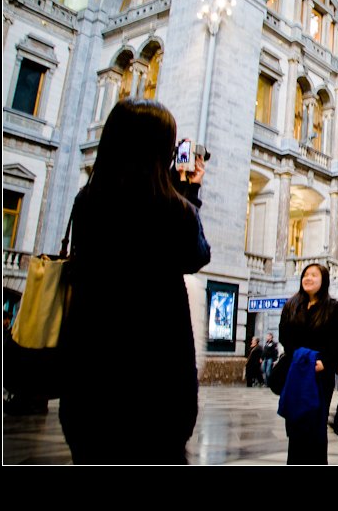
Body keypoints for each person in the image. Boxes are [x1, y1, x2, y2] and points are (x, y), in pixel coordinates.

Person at [58, 99, 211, 464]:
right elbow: (196, 255)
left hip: (90, 367)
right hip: (155, 372)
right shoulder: (173, 208)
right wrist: (187, 190)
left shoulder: (88, 199)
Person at [276, 262, 338, 464]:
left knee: (315, 428)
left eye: (314, 275)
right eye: (306, 274)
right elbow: (284, 336)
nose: (308, 278)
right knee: (295, 425)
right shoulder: (292, 304)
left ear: (323, 280)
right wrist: (299, 357)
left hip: (319, 373)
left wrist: (325, 362)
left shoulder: (333, 307)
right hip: (297, 371)